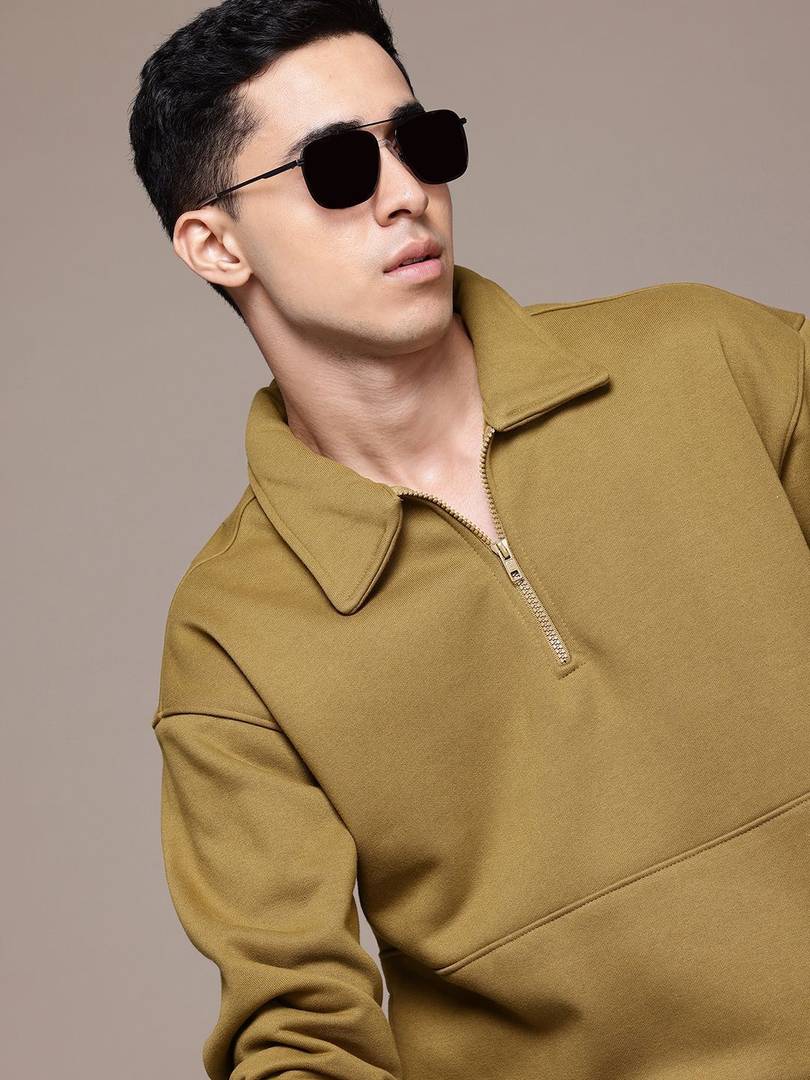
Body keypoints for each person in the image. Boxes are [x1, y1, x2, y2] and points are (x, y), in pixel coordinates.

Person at [129, 2, 810, 1078]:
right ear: (215, 243)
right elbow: (298, 1031)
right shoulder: (232, 635)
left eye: (421, 142)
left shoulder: (714, 360)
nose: (406, 191)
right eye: (338, 167)